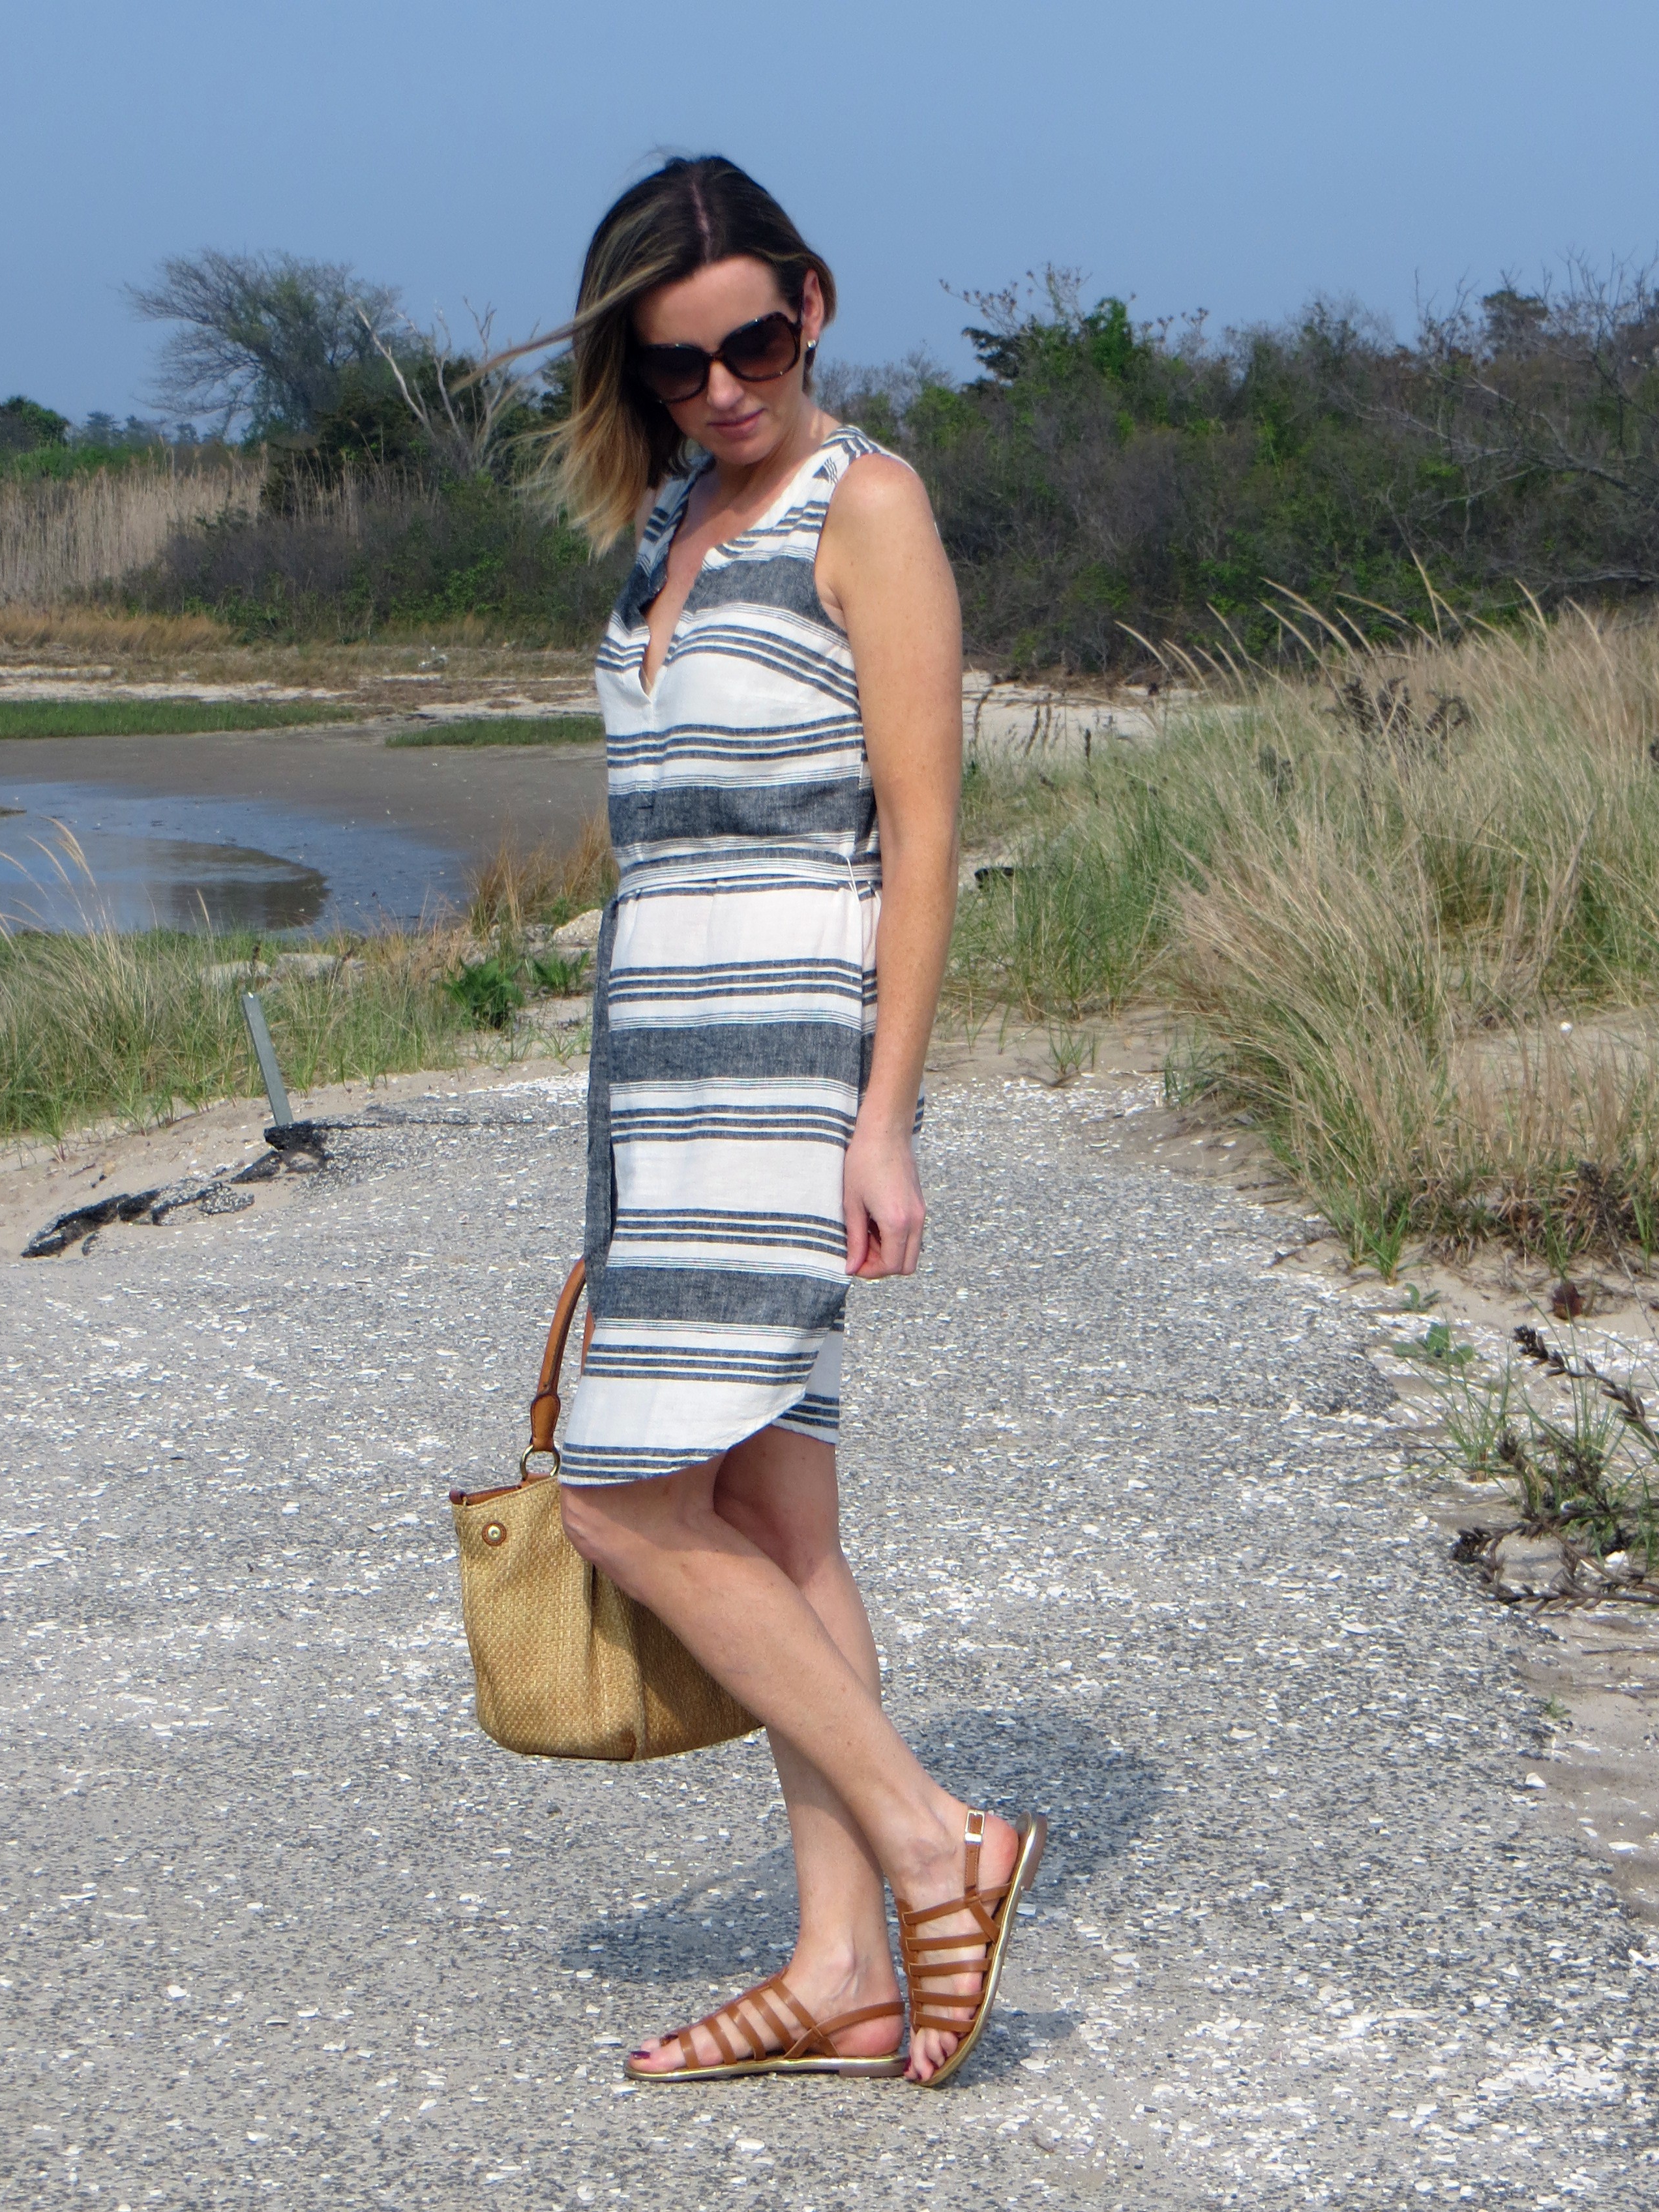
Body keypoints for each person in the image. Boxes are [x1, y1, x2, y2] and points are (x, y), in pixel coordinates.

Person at [543, 155, 1045, 2085]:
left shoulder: (870, 504)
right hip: (656, 1081)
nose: (728, 388)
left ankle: (936, 1842)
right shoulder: (670, 516)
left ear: (813, 304)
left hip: (784, 1080)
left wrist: (885, 1123)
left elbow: (922, 839)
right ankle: (843, 1957)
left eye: (754, 341)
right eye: (680, 365)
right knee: (768, 1505)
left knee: (617, 1500)